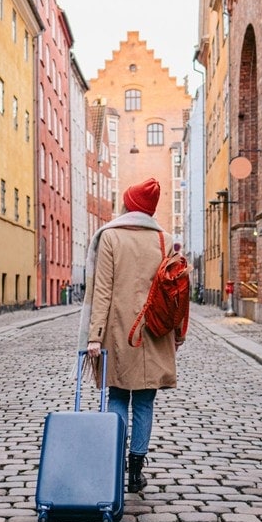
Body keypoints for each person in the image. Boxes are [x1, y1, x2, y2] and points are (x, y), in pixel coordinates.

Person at [77, 177, 184, 494]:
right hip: (155, 332)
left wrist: (94, 336)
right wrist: (177, 332)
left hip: (120, 330)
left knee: (119, 396)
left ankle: (114, 462)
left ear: (128, 205)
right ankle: (136, 472)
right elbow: (175, 291)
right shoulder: (165, 239)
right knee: (145, 402)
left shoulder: (110, 237)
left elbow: (103, 291)